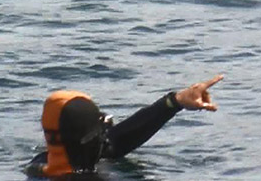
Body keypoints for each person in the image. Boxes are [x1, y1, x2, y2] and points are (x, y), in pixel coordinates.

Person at [25, 75, 223, 178]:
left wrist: (176, 101)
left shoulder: (44, 162)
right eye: (101, 130)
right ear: (88, 141)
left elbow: (119, 139)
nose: (105, 135)